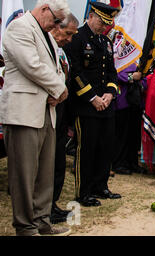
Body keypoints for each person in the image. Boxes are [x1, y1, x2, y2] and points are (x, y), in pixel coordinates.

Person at [0, 0, 71, 236]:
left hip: (46, 112)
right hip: (23, 113)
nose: (58, 26)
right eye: (56, 20)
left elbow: (58, 69)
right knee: (24, 174)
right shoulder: (19, 28)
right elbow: (32, 66)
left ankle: (42, 222)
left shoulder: (49, 37)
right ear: (44, 9)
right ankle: (25, 226)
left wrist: (59, 86)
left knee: (44, 173)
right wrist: (59, 88)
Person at [63, 1, 121, 207]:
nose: (103, 27)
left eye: (106, 24)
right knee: (87, 149)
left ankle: (101, 186)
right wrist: (93, 98)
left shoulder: (106, 41)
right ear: (91, 16)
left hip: (106, 104)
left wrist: (110, 93)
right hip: (86, 105)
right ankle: (84, 191)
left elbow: (112, 72)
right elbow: (75, 72)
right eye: (101, 22)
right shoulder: (77, 38)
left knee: (105, 147)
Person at [49, 13, 79, 224]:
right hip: (47, 110)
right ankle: (44, 205)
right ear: (56, 27)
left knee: (58, 160)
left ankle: (52, 204)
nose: (69, 39)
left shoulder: (61, 51)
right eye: (67, 34)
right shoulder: (45, 46)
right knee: (47, 162)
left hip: (62, 113)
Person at [112, 62, 143, 175]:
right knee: (121, 135)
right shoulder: (122, 58)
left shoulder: (139, 61)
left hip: (135, 102)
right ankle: (118, 163)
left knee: (133, 136)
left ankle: (132, 162)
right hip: (123, 101)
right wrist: (132, 77)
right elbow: (116, 74)